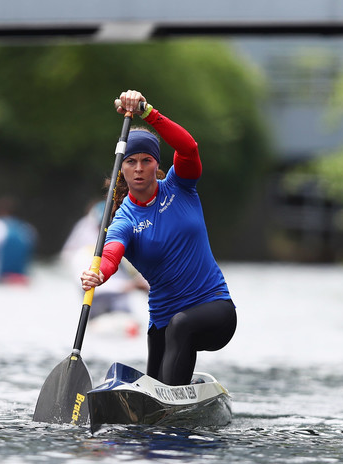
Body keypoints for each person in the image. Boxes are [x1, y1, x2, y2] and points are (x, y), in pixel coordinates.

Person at [80, 90, 237, 386]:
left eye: (146, 160)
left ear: (157, 164)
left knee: (181, 325)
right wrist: (96, 274)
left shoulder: (181, 186)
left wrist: (146, 111)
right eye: (131, 162)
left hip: (215, 311)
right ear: (121, 170)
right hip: (163, 324)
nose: (139, 168)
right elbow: (110, 255)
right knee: (161, 366)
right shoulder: (124, 220)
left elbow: (188, 147)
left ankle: (171, 404)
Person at [61, 199, 148, 335]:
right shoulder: (83, 255)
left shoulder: (127, 252)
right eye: (105, 226)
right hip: (98, 318)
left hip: (126, 318)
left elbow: (145, 282)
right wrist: (129, 286)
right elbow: (89, 285)